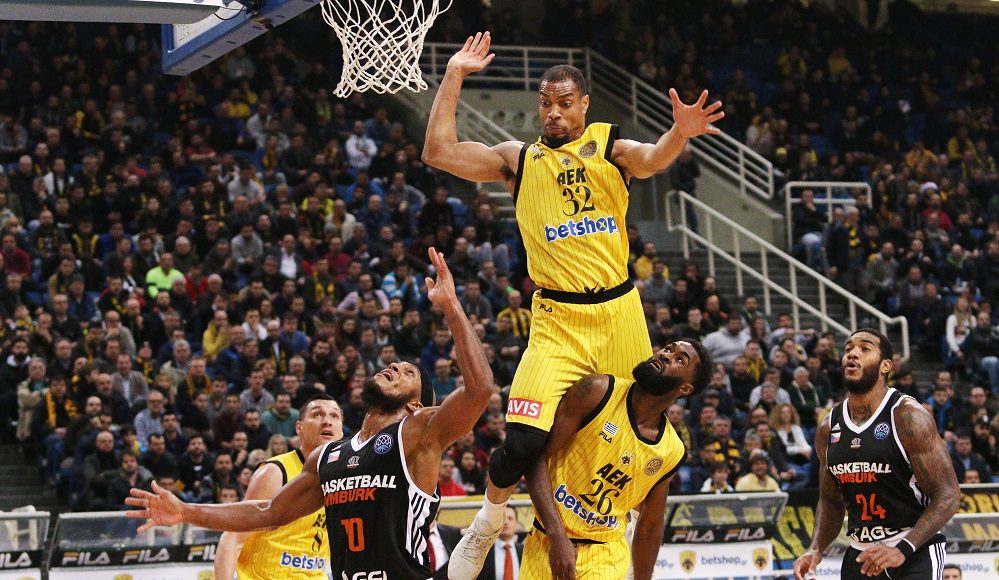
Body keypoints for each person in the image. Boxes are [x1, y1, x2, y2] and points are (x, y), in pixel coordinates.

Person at [421, 32, 723, 578]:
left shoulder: (610, 148)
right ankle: (487, 523)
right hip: (557, 319)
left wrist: (679, 132)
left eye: (564, 102)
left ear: (584, 104)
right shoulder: (518, 160)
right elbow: (438, 152)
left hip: (619, 312)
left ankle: (610, 530)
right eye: (545, 103)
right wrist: (455, 74)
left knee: (636, 430)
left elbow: (653, 158)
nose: (553, 112)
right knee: (521, 442)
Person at [127, 248, 494, 579]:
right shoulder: (327, 456)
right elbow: (267, 513)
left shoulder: (418, 431)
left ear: (416, 403)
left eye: (408, 373)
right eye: (395, 364)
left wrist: (451, 308)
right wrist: (186, 512)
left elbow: (479, 389)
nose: (395, 367)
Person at [524, 340, 712, 579]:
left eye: (680, 359)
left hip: (605, 554)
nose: (666, 355)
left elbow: (650, 526)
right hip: (545, 539)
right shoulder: (597, 391)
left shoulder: (671, 451)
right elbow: (535, 459)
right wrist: (557, 537)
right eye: (668, 348)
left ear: (685, 389)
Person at [793, 329, 961, 580]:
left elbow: (948, 495)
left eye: (865, 348)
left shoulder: (908, 417)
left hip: (913, 551)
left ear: (885, 366)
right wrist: (816, 548)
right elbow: (830, 500)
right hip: (860, 555)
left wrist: (902, 549)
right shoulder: (829, 427)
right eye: (849, 349)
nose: (853, 354)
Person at [214, 394, 343, 580]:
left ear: (341, 431)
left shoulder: (342, 478)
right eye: (317, 414)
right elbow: (233, 537)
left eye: (334, 416)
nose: (327, 421)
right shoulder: (274, 472)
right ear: (299, 427)